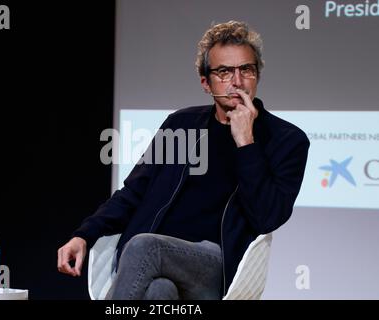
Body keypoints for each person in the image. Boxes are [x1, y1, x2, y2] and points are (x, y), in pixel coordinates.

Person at [57, 20, 310, 300]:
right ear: (206, 82)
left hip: (218, 266)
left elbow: (268, 216)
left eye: (246, 70)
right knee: (158, 291)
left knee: (144, 247)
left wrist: (246, 144)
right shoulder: (182, 125)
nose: (237, 82)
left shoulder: (286, 140)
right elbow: (133, 193)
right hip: (158, 265)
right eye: (224, 72)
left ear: (257, 76)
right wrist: (84, 235)